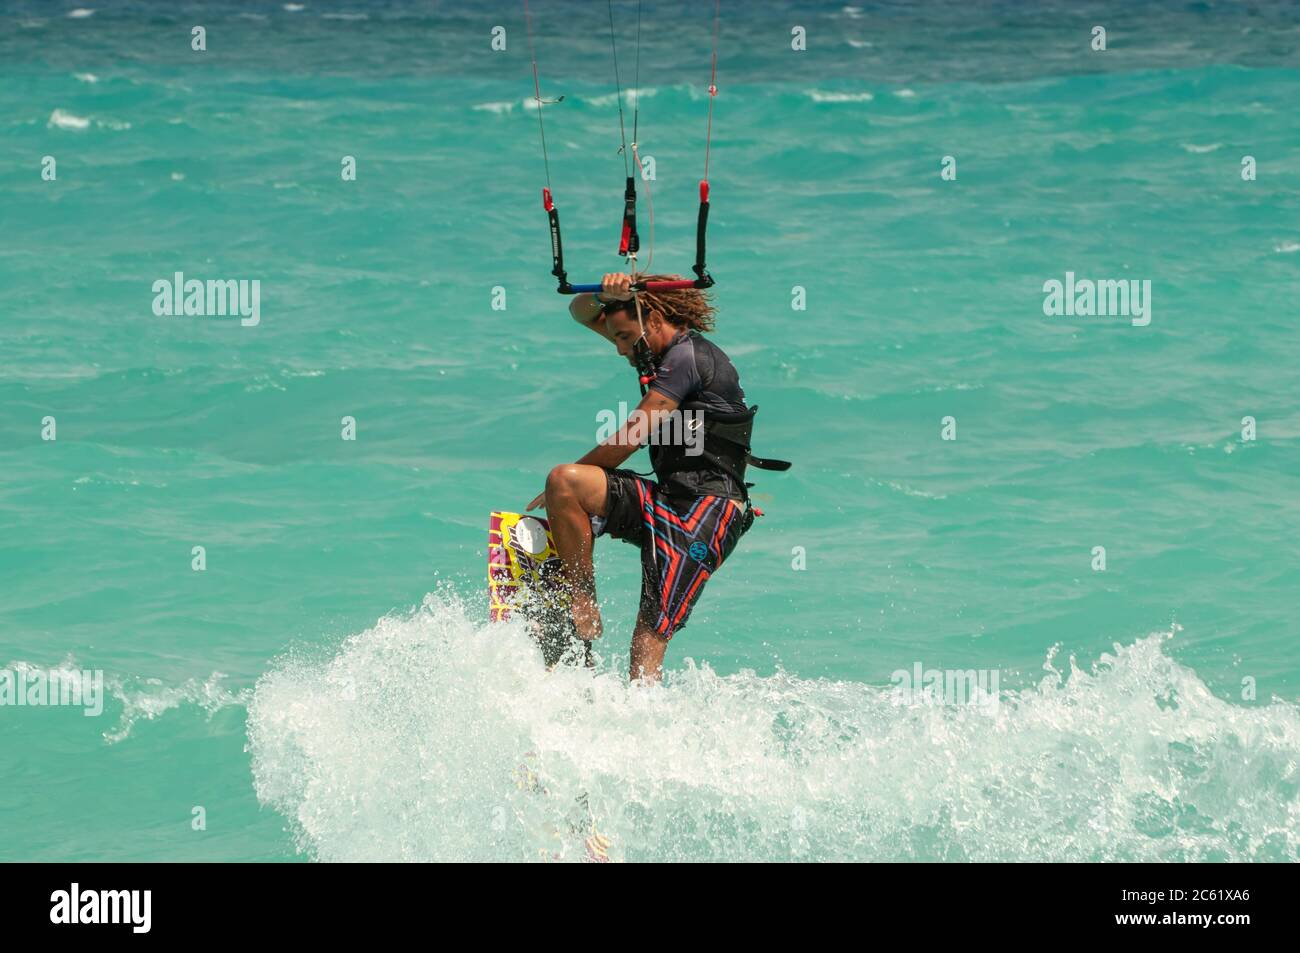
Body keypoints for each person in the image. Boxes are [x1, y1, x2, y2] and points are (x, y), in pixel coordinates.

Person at [526, 272, 786, 681]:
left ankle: (640, 725)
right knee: (565, 482)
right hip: (665, 499)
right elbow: (580, 312)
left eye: (625, 337)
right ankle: (581, 600)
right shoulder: (650, 349)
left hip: (707, 514)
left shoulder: (688, 358)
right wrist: (608, 292)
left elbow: (632, 436)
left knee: (647, 639)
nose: (619, 349)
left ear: (654, 319)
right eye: (616, 338)